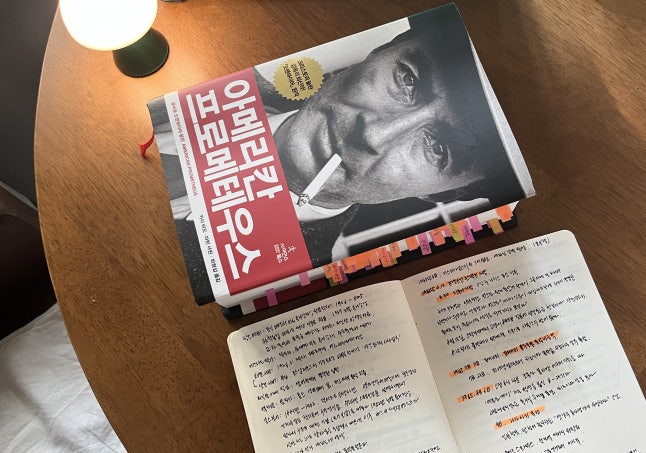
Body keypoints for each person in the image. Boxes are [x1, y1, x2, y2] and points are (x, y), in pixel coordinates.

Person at [152, 5, 530, 271]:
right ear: (380, 51)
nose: (374, 134)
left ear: (439, 195)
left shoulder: (296, 268)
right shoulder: (224, 56)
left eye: (439, 149)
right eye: (408, 79)